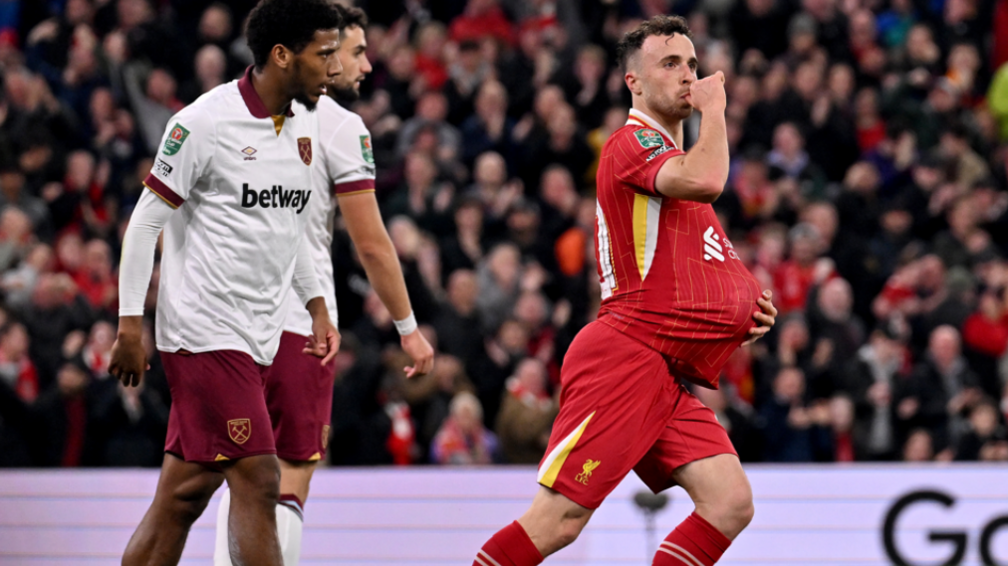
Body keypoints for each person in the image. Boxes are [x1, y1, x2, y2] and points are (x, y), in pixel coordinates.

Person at [472, 15, 777, 566]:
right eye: (669, 64)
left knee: (729, 501)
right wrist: (716, 109)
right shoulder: (632, 143)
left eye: (691, 63)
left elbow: (694, 265)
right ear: (633, 82)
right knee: (558, 522)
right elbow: (708, 177)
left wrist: (741, 309)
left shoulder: (675, 172)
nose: (687, 75)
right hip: (625, 357)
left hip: (664, 371)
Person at [108, 1, 343, 565]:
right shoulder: (203, 123)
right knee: (260, 478)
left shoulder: (304, 128)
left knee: (182, 497)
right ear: (283, 55)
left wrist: (315, 306)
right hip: (204, 332)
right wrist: (129, 327)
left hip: (257, 335)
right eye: (324, 54)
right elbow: (144, 223)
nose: (332, 68)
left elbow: (288, 227)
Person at [211, 6, 434, 565]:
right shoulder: (339, 126)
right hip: (297, 322)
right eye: (353, 51)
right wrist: (409, 329)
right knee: (293, 469)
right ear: (323, 56)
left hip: (223, 319)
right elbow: (373, 244)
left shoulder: (228, 108)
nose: (363, 64)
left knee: (230, 470)